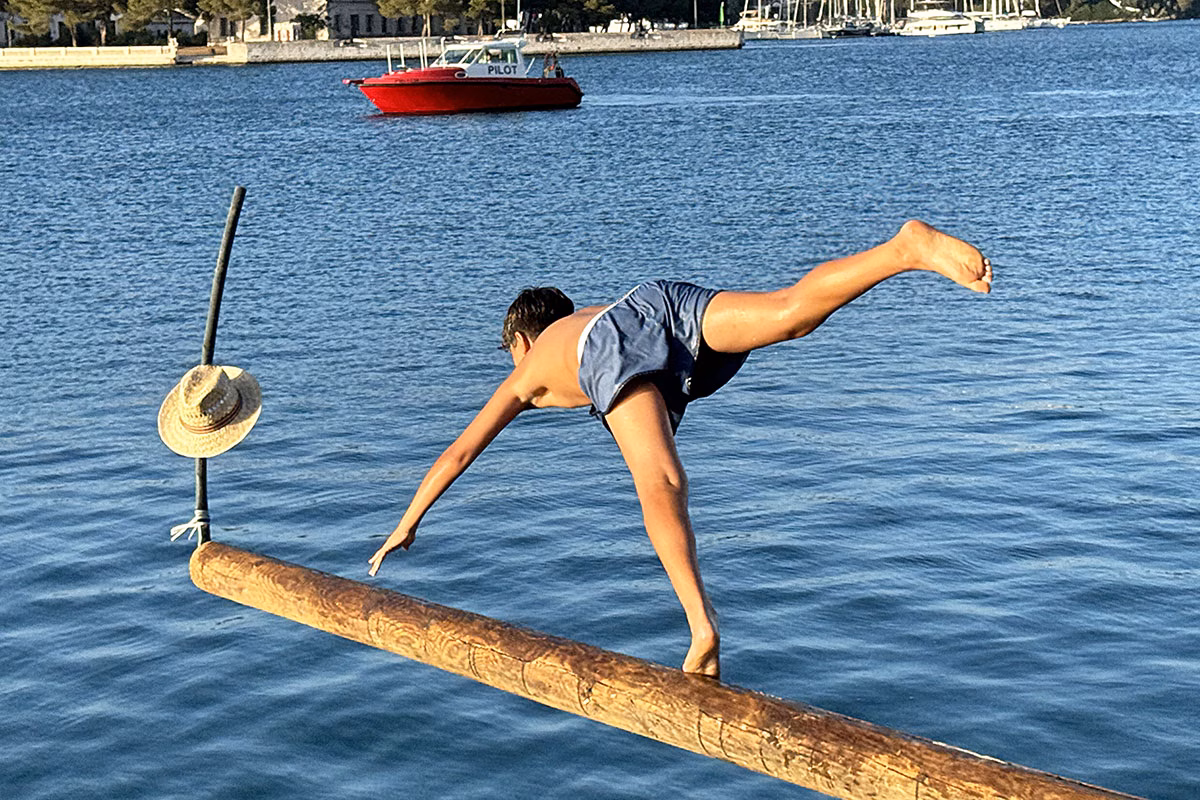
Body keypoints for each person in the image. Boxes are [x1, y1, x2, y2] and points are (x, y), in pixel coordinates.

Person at [368, 220, 993, 679]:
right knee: (792, 313)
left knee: (660, 484)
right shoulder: (589, 319)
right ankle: (903, 249)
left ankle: (702, 630)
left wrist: (406, 523)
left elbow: (459, 452)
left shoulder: (531, 368)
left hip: (621, 348)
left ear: (521, 341)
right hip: (656, 305)